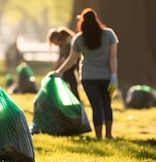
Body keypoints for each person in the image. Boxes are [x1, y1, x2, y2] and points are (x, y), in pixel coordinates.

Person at [54, 8, 118, 140]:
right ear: (96, 19)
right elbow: (112, 57)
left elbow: (72, 59)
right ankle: (109, 135)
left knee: (96, 107)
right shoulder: (109, 34)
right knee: (107, 104)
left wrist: (59, 71)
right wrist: (114, 75)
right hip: (106, 76)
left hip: (88, 77)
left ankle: (99, 136)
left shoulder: (79, 39)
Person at [46, 26, 80, 100]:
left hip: (73, 63)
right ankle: (70, 98)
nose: (55, 44)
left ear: (57, 39)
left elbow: (67, 59)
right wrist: (54, 70)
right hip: (69, 64)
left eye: (54, 42)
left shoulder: (68, 43)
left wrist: (58, 70)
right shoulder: (61, 45)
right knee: (66, 78)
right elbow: (60, 58)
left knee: (68, 77)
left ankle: (74, 98)